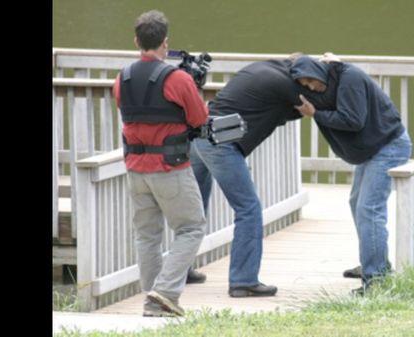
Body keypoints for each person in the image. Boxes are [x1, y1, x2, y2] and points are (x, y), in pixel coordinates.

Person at [189, 57, 312, 297]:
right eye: (307, 81)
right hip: (220, 143)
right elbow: (314, 105)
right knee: (249, 208)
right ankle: (243, 280)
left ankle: (180, 269)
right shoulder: (284, 83)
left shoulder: (262, 67)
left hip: (199, 137)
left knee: (195, 206)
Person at [290, 54, 413, 295]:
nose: (310, 87)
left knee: (370, 209)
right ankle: (374, 262)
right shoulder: (332, 76)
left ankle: (376, 279)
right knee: (357, 202)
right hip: (372, 149)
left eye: (310, 82)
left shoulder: (350, 78)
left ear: (319, 71)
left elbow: (354, 120)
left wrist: (315, 114)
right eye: (304, 86)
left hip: (388, 146)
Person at [112, 10, 208, 316]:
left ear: (136, 41)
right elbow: (198, 118)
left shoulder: (121, 78)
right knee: (192, 228)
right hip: (169, 168)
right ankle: (164, 293)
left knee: (147, 235)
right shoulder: (176, 78)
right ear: (165, 43)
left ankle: (154, 301)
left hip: (135, 169)